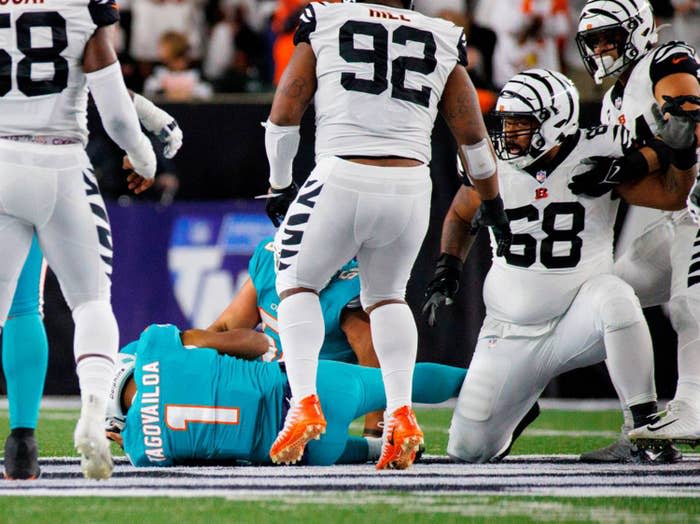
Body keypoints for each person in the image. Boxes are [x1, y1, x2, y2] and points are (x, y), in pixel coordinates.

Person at [262, 0, 510, 471]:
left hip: (342, 171)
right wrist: (492, 200)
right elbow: (472, 134)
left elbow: (287, 106)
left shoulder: (327, 18)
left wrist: (278, 182)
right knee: (388, 298)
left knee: (296, 283)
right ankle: (400, 413)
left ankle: (305, 402)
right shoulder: (440, 32)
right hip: (412, 182)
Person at [423, 69, 679, 464]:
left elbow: (671, 195)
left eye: (521, 124)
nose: (509, 133)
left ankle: (643, 430)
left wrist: (666, 155)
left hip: (581, 316)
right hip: (510, 332)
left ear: (555, 120)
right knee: (468, 450)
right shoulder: (491, 162)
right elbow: (460, 214)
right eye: (506, 122)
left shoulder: (599, 150)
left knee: (615, 296)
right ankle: (519, 403)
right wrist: (448, 267)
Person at [0, 0, 158, 480]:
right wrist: (144, 156)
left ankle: (23, 446)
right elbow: (113, 110)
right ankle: (91, 406)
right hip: (63, 164)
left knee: (13, 307)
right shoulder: (80, 8)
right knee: (91, 303)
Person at [573, 0, 700, 458]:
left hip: (698, 205)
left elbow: (687, 112)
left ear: (640, 31)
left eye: (612, 36)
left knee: (688, 304)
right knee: (610, 297)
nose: (604, 47)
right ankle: (641, 429)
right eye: (596, 40)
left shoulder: (665, 59)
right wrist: (619, 174)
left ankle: (692, 403)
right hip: (678, 212)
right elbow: (657, 188)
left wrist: (639, 159)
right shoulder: (611, 101)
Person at [104, 323, 467, 467]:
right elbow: (261, 343)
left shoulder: (142, 453)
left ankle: (378, 447)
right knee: (398, 382)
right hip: (304, 394)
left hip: (301, 452)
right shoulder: (155, 348)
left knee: (339, 448)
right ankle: (478, 382)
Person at [207, 236, 384, 435]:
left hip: (320, 401)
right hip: (263, 390)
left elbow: (368, 343)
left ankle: (377, 440)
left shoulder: (348, 287)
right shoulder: (268, 262)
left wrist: (375, 425)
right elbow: (225, 328)